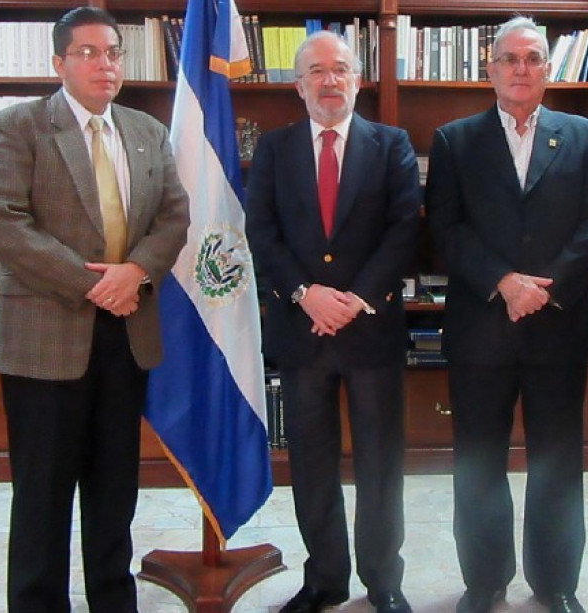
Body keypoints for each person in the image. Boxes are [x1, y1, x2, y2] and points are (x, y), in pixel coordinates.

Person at [0, 7, 189, 612]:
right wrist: (93, 283)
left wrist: (136, 272)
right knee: (42, 493)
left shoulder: (147, 130)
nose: (105, 64)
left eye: (114, 52)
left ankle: (113, 600)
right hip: (45, 335)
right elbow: (2, 223)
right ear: (59, 63)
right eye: (89, 53)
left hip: (127, 334)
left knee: (114, 489)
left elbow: (174, 215)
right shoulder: (19, 126)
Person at [425, 16, 588, 613]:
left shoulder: (584, 136)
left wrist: (546, 287)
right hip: (481, 329)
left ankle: (556, 583)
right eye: (509, 58)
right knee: (478, 462)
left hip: (557, 325)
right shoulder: (455, 140)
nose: (521, 68)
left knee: (558, 461)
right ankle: (484, 581)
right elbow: (444, 227)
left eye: (533, 58)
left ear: (547, 70)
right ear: (490, 70)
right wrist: (504, 282)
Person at [244, 31, 421, 613]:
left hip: (370, 329)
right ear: (299, 86)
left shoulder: (391, 144)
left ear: (357, 80)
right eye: (316, 71)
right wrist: (306, 294)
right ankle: (324, 579)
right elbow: (261, 230)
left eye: (340, 69)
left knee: (380, 463)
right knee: (312, 463)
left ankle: (383, 579)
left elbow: (404, 228)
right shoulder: (274, 149)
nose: (329, 80)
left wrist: (354, 298)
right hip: (302, 332)